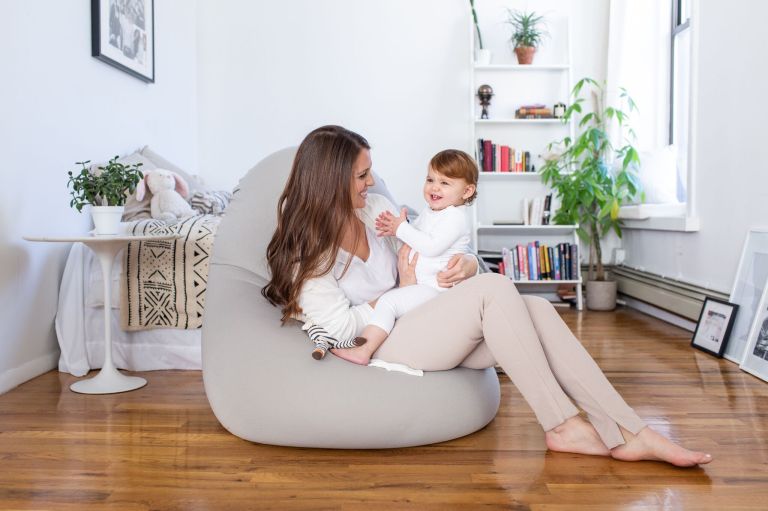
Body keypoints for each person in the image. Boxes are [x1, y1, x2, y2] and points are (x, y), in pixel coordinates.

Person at [262, 125, 713, 467]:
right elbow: (340, 329)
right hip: (384, 339)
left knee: (533, 306)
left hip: (426, 316)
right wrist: (396, 295)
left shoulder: (376, 210)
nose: (372, 181)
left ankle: (628, 429)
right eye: (362, 175)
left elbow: (437, 250)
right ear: (331, 180)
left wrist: (471, 265)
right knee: (498, 292)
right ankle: (562, 424)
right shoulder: (308, 247)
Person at [332, 149, 477, 365]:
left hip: (437, 289)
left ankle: (363, 348)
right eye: (430, 179)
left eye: (445, 183)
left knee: (389, 302)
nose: (434, 187)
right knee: (391, 303)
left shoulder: (455, 217)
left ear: (467, 191)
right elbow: (412, 238)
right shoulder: (433, 211)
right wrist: (396, 229)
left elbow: (430, 246)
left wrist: (400, 228)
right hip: (422, 287)